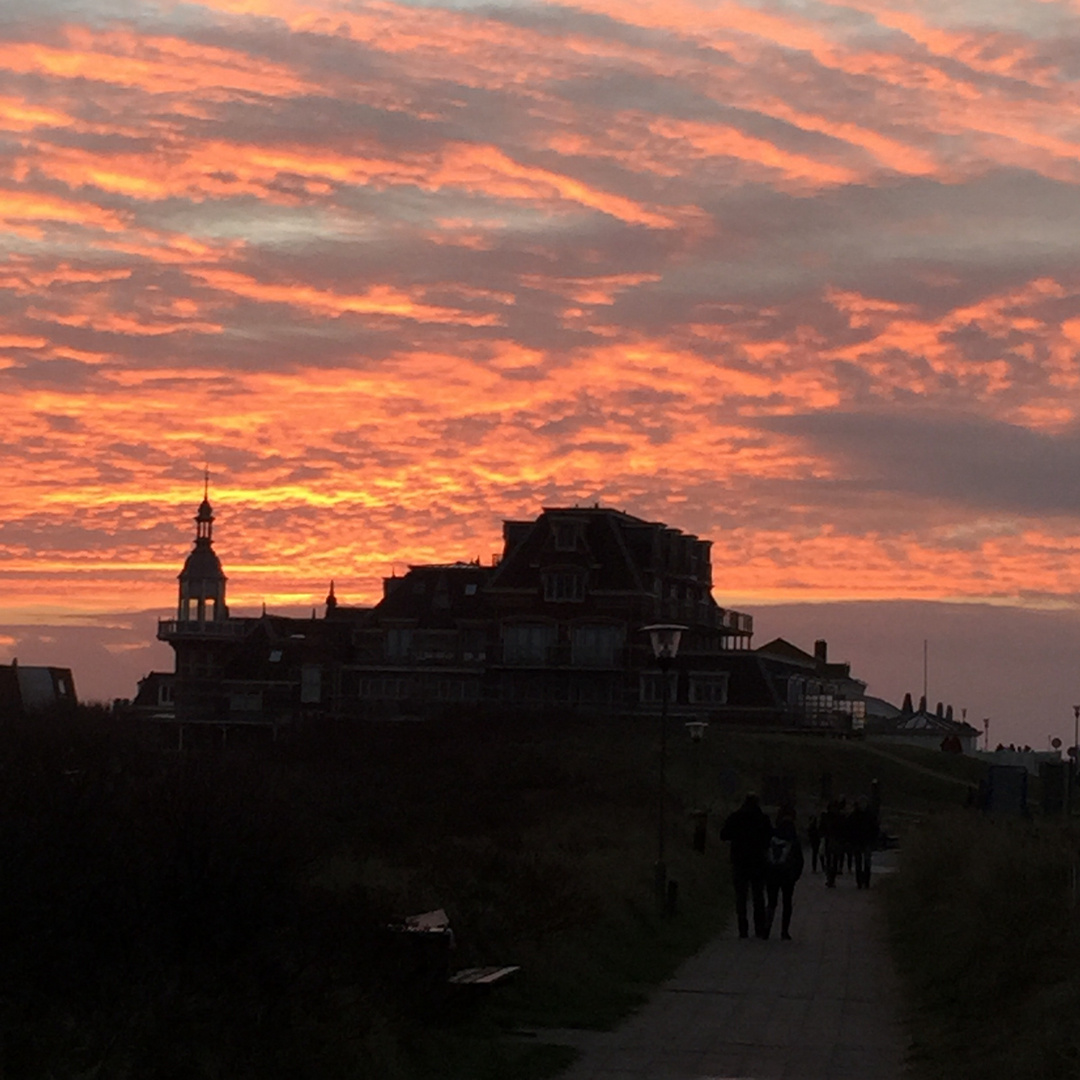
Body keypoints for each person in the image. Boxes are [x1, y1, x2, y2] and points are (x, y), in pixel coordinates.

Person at [720, 793, 772, 939]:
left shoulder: (736, 817)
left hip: (740, 861)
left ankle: (743, 928)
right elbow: (769, 838)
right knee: (758, 895)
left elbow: (724, 835)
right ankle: (759, 927)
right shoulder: (762, 819)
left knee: (741, 896)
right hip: (758, 862)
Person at [763, 804, 804, 940]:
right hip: (787, 874)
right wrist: (796, 875)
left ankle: (767, 928)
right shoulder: (793, 836)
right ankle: (784, 931)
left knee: (771, 901)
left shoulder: (773, 834)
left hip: (772, 872)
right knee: (787, 902)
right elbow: (799, 859)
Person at [847, 796, 879, 889]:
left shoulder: (867, 815)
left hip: (865, 841)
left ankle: (865, 881)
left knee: (865, 861)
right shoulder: (857, 816)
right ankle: (861, 881)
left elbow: (875, 828)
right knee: (860, 862)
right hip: (859, 841)